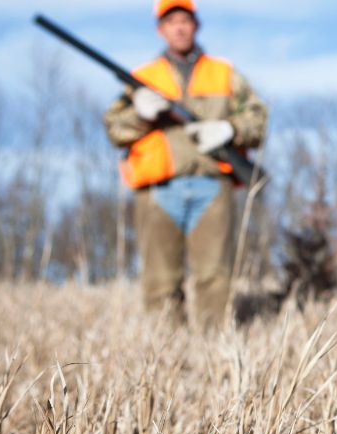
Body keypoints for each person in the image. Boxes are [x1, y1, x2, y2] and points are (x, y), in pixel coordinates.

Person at [104, 0, 267, 328]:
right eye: (171, 21)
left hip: (212, 185)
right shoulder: (142, 78)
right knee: (160, 282)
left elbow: (258, 119)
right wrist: (140, 115)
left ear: (196, 25)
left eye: (185, 20)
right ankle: (167, 360)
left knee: (215, 278)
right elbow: (114, 128)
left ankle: (213, 359)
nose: (179, 27)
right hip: (158, 189)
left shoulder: (224, 73)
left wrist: (229, 129)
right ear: (160, 29)